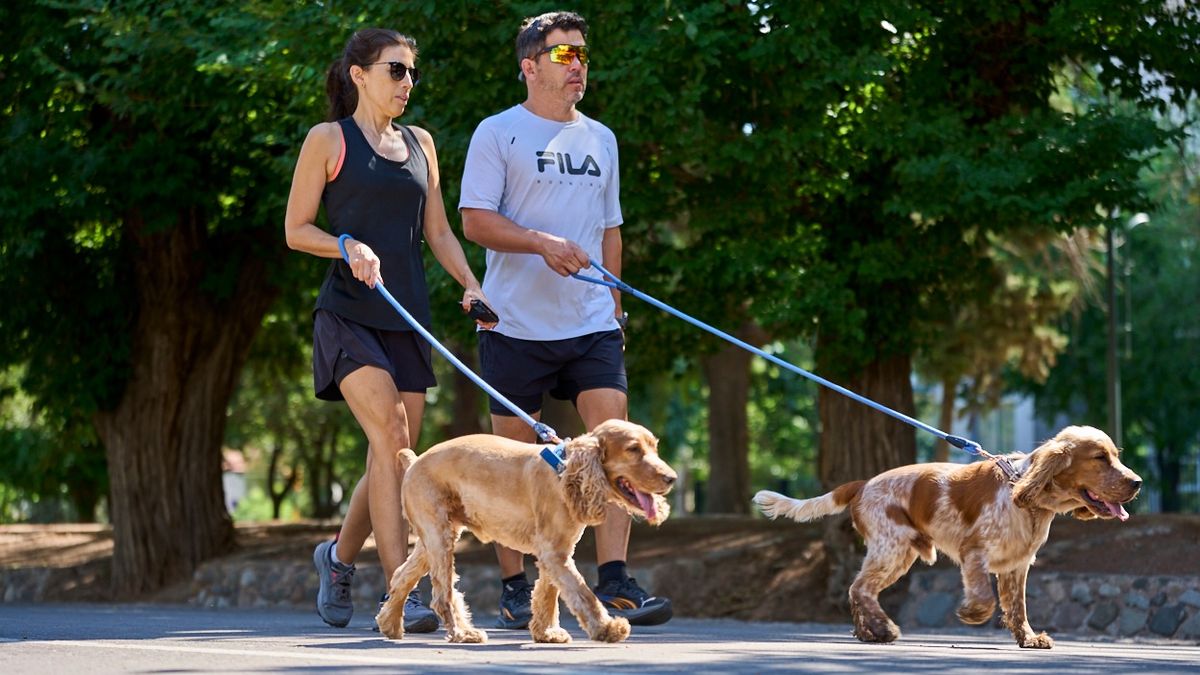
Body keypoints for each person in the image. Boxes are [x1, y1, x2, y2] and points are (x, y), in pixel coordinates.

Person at [459, 10, 672, 629]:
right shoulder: (497, 132)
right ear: (530, 66)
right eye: (562, 55)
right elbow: (475, 220)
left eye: (581, 53)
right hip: (514, 324)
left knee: (619, 440)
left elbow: (611, 229)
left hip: (590, 323)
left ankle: (615, 580)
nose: (576, 63)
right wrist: (542, 242)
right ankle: (515, 587)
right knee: (511, 460)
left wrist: (613, 306)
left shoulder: (601, 138)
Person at [284, 28, 494, 632]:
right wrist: (345, 243)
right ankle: (403, 593)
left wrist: (470, 283)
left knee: (397, 456)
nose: (406, 83)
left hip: (407, 316)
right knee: (393, 434)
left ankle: (337, 557)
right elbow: (296, 229)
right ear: (359, 74)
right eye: (395, 70)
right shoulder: (328, 139)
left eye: (410, 73)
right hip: (348, 312)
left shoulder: (421, 143)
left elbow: (440, 232)